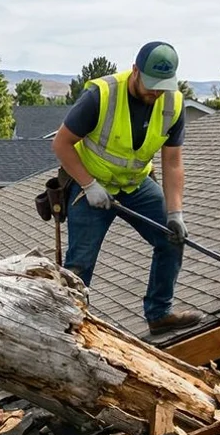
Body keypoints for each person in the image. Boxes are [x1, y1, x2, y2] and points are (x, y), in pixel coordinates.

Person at [51, 41, 202, 335]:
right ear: (135, 70)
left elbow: (172, 162)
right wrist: (90, 184)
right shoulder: (101, 95)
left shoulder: (173, 103)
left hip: (135, 184)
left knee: (172, 238)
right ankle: (67, 326)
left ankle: (159, 314)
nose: (155, 92)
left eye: (162, 86)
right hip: (90, 184)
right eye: (150, 84)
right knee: (79, 264)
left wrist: (175, 212)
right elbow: (60, 143)